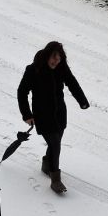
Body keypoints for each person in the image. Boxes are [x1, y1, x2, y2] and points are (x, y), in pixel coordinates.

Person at [17, 42, 89, 193]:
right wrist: (27, 115)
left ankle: (46, 165)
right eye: (53, 58)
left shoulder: (61, 68)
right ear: (46, 56)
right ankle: (55, 179)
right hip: (42, 115)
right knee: (55, 144)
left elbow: (72, 82)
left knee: (55, 142)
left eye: (59, 59)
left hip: (60, 113)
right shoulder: (33, 69)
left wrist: (82, 100)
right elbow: (22, 92)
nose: (56, 61)